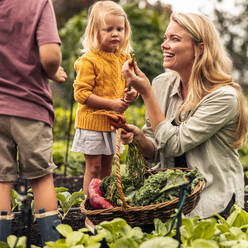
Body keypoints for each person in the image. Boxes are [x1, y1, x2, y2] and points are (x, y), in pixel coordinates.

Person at [121, 12, 248, 219]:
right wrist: (138, 138)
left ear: (200, 49)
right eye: (166, 37)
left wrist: (145, 93)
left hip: (213, 203)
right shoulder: (161, 84)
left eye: (175, 39)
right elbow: (155, 149)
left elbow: (174, 144)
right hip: (169, 198)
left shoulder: (223, 97)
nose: (164, 44)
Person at [0, 0, 67, 244]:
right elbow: (49, 57)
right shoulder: (38, 3)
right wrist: (53, 71)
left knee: (1, 180)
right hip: (30, 107)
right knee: (40, 178)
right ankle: (51, 241)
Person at [70, 1, 137, 230]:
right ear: (95, 32)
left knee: (108, 170)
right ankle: (90, 212)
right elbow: (81, 94)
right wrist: (111, 103)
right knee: (94, 168)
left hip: (111, 125)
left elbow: (127, 84)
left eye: (119, 29)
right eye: (108, 29)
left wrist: (131, 93)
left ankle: (104, 209)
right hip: (92, 122)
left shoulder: (123, 58)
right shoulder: (89, 60)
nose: (115, 33)